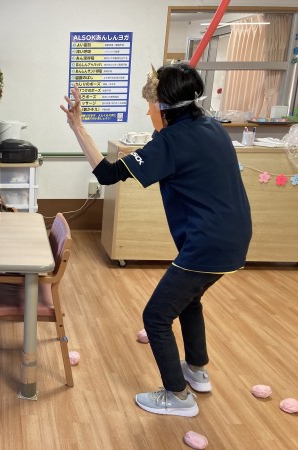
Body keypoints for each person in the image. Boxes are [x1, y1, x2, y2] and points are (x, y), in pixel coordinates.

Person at [61, 63, 252, 417]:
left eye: (150, 105)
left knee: (156, 316)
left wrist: (78, 127)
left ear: (163, 107)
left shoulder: (171, 141)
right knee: (189, 301)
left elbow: (107, 174)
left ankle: (177, 396)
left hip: (207, 243)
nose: (148, 112)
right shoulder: (211, 127)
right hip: (235, 238)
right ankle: (196, 370)